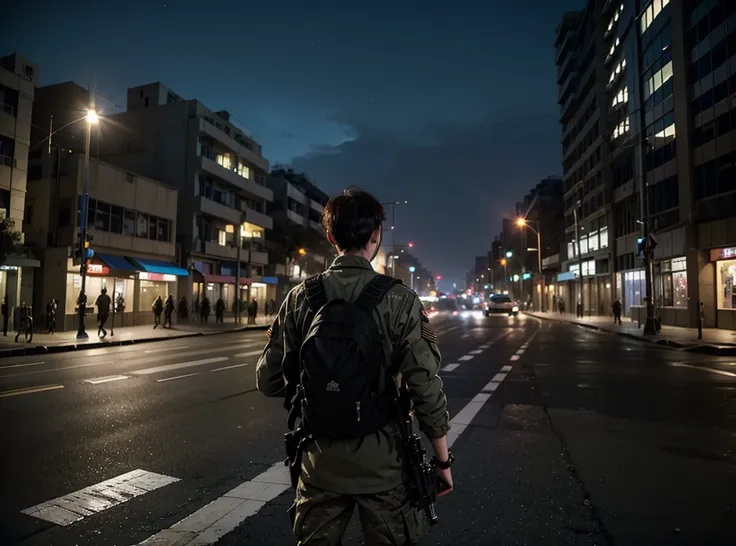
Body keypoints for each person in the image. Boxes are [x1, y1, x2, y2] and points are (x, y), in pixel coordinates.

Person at [256, 187, 452, 545]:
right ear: (376, 237)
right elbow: (425, 388)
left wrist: (320, 388)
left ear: (330, 237)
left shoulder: (301, 298)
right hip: (383, 468)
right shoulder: (400, 300)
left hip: (319, 464)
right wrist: (442, 461)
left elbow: (268, 380)